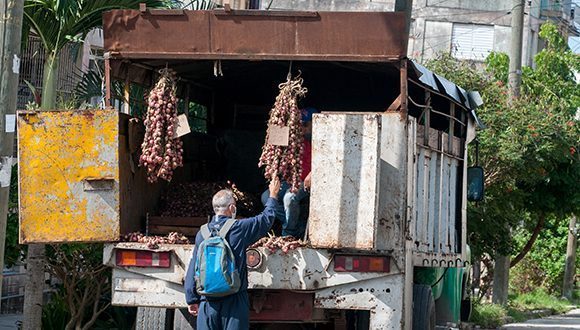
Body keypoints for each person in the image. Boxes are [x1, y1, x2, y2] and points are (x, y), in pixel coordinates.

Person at [184, 176, 281, 330]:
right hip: (234, 300)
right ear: (231, 208)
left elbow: (193, 266)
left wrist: (191, 298)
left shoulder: (201, 233)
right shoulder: (239, 228)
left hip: (207, 302)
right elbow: (266, 219)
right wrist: (273, 195)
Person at [261, 107, 317, 239]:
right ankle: (296, 224)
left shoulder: (322, 141)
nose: (302, 128)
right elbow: (277, 146)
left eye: (305, 125)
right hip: (293, 182)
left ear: (315, 124)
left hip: (308, 182)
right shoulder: (296, 140)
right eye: (300, 125)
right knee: (266, 197)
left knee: (289, 198)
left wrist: (313, 174)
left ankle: (289, 233)